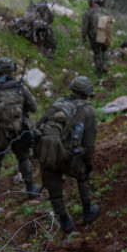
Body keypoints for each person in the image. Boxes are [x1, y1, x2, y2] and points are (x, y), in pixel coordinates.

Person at [35, 75, 100, 234]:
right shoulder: (88, 110)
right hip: (71, 157)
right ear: (86, 93)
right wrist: (88, 161)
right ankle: (88, 212)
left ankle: (65, 221)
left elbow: (38, 127)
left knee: (54, 189)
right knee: (83, 176)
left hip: (50, 154)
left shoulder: (57, 104)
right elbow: (89, 143)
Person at [0, 57, 39, 197]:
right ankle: (30, 188)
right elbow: (33, 107)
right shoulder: (20, 88)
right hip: (20, 129)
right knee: (24, 156)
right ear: (12, 71)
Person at [81, 0, 112, 78]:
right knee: (105, 49)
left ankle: (98, 71)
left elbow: (85, 27)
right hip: (105, 34)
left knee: (97, 52)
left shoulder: (88, 13)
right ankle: (105, 64)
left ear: (92, 1)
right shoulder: (104, 11)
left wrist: (84, 37)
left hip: (94, 35)